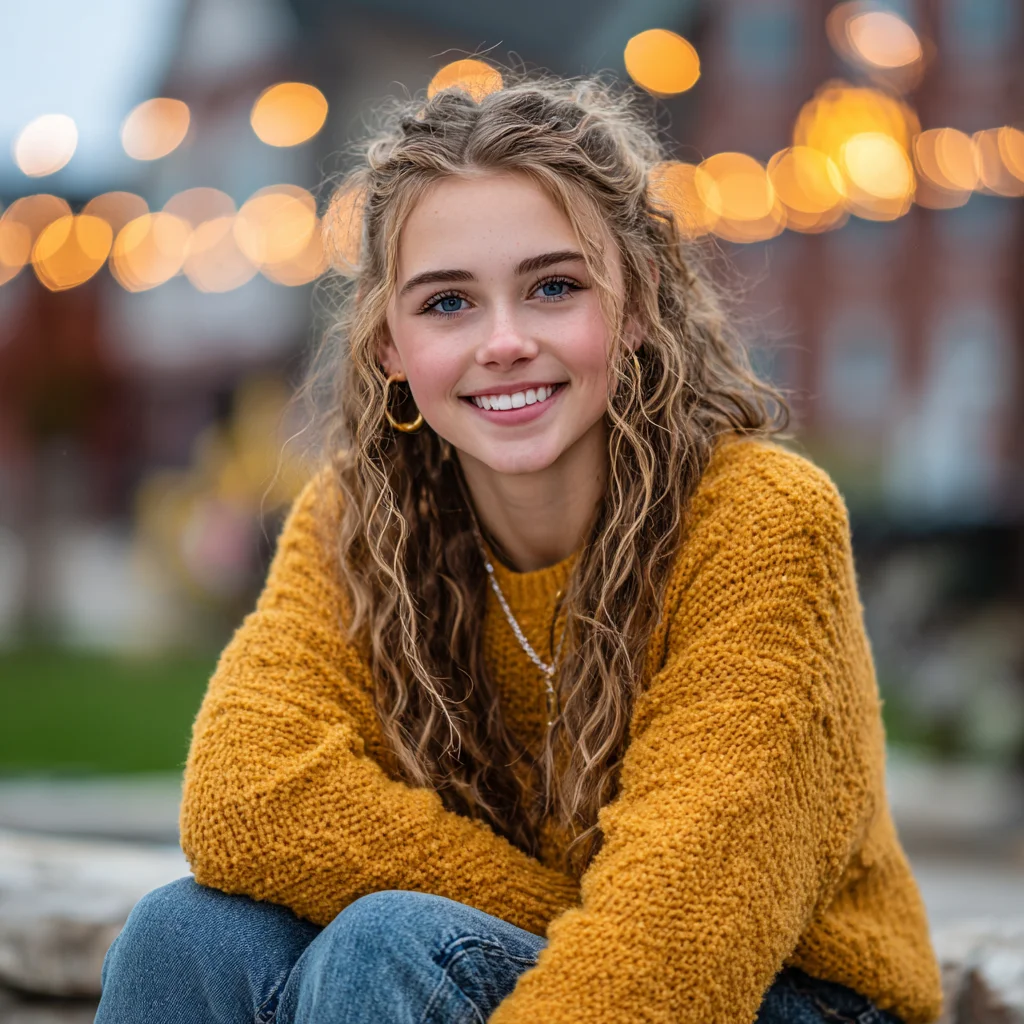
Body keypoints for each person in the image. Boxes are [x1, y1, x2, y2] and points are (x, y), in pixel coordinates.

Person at [95, 74, 943, 1024]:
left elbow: (675, 953)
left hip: (785, 996)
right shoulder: (356, 523)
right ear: (388, 346)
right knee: (187, 935)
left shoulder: (761, 521)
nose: (503, 342)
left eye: (552, 287)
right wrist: (577, 918)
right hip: (567, 952)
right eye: (448, 304)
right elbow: (243, 795)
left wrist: (540, 929)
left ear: (635, 306)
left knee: (392, 944)